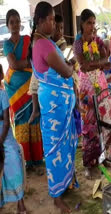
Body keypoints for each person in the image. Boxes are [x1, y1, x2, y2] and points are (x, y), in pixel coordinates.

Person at [30, 2, 78, 213]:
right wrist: (72, 65)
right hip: (54, 106)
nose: (53, 23)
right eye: (50, 19)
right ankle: (56, 195)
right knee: (54, 148)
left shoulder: (43, 41)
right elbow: (66, 73)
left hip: (58, 105)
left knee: (62, 145)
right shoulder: (43, 44)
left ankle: (65, 182)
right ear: (40, 21)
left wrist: (69, 65)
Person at [3, 9, 43, 171]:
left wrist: (25, 63)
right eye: (12, 22)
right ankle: (25, 160)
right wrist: (26, 62)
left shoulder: (28, 39)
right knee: (21, 121)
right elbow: (13, 65)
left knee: (34, 119)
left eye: (17, 21)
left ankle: (37, 160)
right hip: (15, 89)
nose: (15, 25)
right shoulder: (7, 44)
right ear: (7, 25)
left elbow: (32, 60)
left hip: (31, 87)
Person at [73, 9, 111, 179]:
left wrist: (94, 63)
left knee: (102, 122)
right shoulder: (78, 43)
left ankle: (102, 157)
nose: (92, 26)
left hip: (100, 85)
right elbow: (82, 66)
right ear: (82, 24)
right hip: (87, 89)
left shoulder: (99, 41)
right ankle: (89, 163)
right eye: (89, 23)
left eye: (94, 23)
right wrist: (99, 63)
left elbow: (106, 60)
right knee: (89, 125)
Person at [28, 14, 69, 124]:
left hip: (54, 71)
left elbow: (59, 55)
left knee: (74, 81)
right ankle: (35, 110)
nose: (59, 31)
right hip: (46, 73)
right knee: (34, 84)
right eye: (56, 26)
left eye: (61, 28)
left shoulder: (61, 42)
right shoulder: (45, 41)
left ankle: (76, 104)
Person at [0, 64, 26, 214]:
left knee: (13, 158)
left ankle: (20, 202)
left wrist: (1, 141)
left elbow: (6, 120)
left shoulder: (2, 94)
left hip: (4, 132)